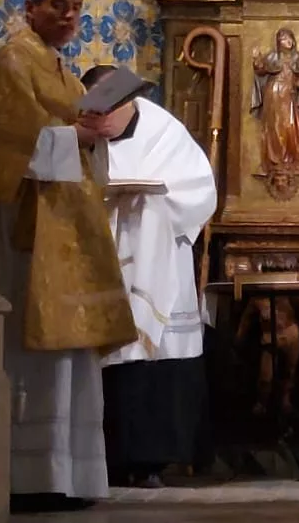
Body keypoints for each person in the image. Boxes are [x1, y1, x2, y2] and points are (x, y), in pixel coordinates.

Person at [0, 0, 137, 512]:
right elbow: (8, 140)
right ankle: (31, 475)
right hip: (30, 225)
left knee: (71, 351)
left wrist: (98, 132)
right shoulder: (14, 59)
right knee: (38, 349)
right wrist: (75, 133)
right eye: (57, 4)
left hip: (67, 222)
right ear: (29, 7)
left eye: (76, 5)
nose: (69, 14)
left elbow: (74, 131)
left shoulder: (62, 70)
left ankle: (70, 474)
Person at [80, 65, 218, 488]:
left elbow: (200, 191)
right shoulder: (78, 136)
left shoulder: (165, 132)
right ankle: (106, 458)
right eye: (92, 111)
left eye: (108, 110)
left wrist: (150, 200)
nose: (101, 120)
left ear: (127, 102)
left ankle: (155, 459)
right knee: (109, 358)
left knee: (157, 359)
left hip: (159, 257)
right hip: (98, 258)